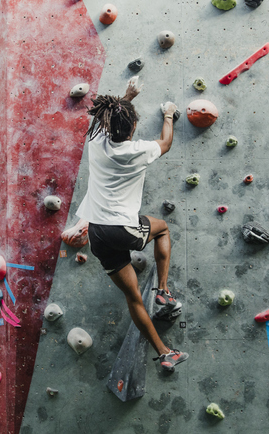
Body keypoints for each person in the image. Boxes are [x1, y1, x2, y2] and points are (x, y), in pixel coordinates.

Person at [75, 78, 188, 372]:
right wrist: (168, 114)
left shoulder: (96, 141)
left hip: (97, 232)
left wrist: (127, 96)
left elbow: (105, 117)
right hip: (121, 228)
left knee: (133, 296)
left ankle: (165, 353)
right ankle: (162, 290)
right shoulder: (138, 150)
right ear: (134, 127)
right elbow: (165, 142)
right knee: (162, 228)